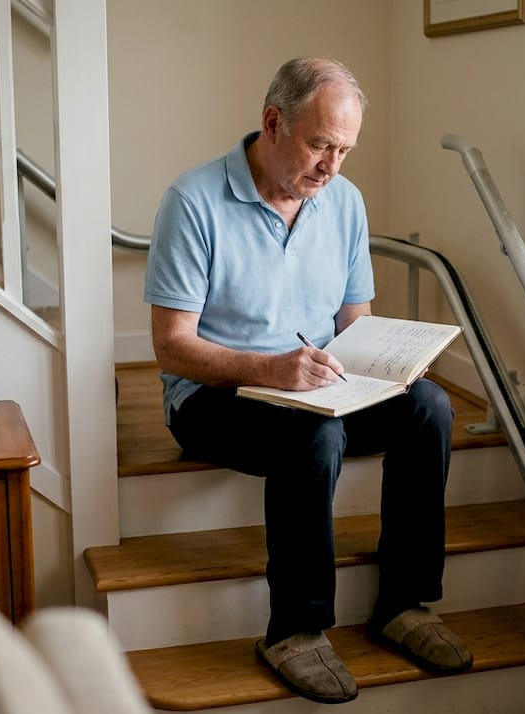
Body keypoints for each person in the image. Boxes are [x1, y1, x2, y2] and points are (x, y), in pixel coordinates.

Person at [143, 57, 470, 705]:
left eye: (344, 150)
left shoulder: (342, 201)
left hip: (318, 384)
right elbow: (171, 347)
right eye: (321, 145)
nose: (333, 167)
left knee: (428, 407)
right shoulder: (194, 201)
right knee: (312, 437)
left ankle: (403, 604)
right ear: (273, 122)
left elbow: (355, 319)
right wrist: (271, 369)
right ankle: (295, 628)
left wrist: (390, 361)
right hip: (216, 396)